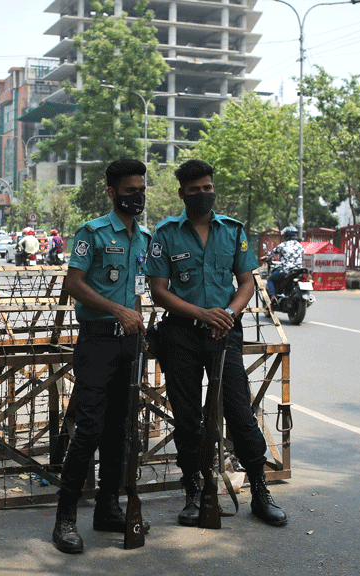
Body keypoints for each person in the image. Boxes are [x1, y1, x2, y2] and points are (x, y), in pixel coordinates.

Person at [145, 159, 287, 528]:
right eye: (195, 190)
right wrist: (200, 313)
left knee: (239, 412)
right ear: (183, 194)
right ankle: (194, 490)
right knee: (188, 417)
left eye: (208, 188)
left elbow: (246, 282)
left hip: (225, 332)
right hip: (181, 335)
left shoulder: (232, 230)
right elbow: (158, 291)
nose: (203, 194)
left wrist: (228, 314)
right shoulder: (166, 233)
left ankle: (259, 490)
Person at [52, 159, 153, 554]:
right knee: (90, 429)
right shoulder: (91, 232)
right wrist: (117, 309)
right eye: (129, 190)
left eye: (141, 189)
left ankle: (109, 508)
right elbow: (73, 284)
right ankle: (65, 518)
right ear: (111, 192)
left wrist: (139, 316)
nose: (137, 196)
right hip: (97, 341)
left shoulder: (145, 238)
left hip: (130, 343)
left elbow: (143, 287)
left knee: (120, 429)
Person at [261, 225, 305, 303]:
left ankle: (273, 297)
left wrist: (266, 257)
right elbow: (303, 257)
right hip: (298, 270)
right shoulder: (300, 246)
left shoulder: (283, 245)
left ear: (285, 236)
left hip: (286, 270)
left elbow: (271, 254)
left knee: (270, 279)